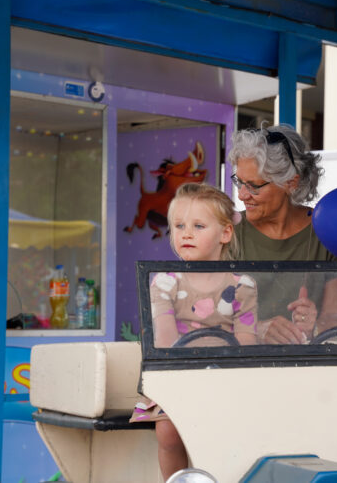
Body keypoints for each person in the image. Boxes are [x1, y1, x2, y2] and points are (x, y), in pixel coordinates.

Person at [130, 183, 257, 479]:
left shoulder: (242, 285)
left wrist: (225, 374)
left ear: (225, 233)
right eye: (179, 226)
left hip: (227, 379)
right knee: (169, 431)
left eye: (198, 226)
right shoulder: (165, 283)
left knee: (237, 424)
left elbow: (246, 341)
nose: (186, 234)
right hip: (177, 376)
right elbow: (165, 340)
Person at [228, 125, 337, 345]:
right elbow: (204, 317)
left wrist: (315, 326)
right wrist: (256, 329)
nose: (242, 195)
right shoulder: (228, 232)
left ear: (291, 183)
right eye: (239, 182)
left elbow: (334, 320)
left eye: (253, 186)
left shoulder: (327, 232)